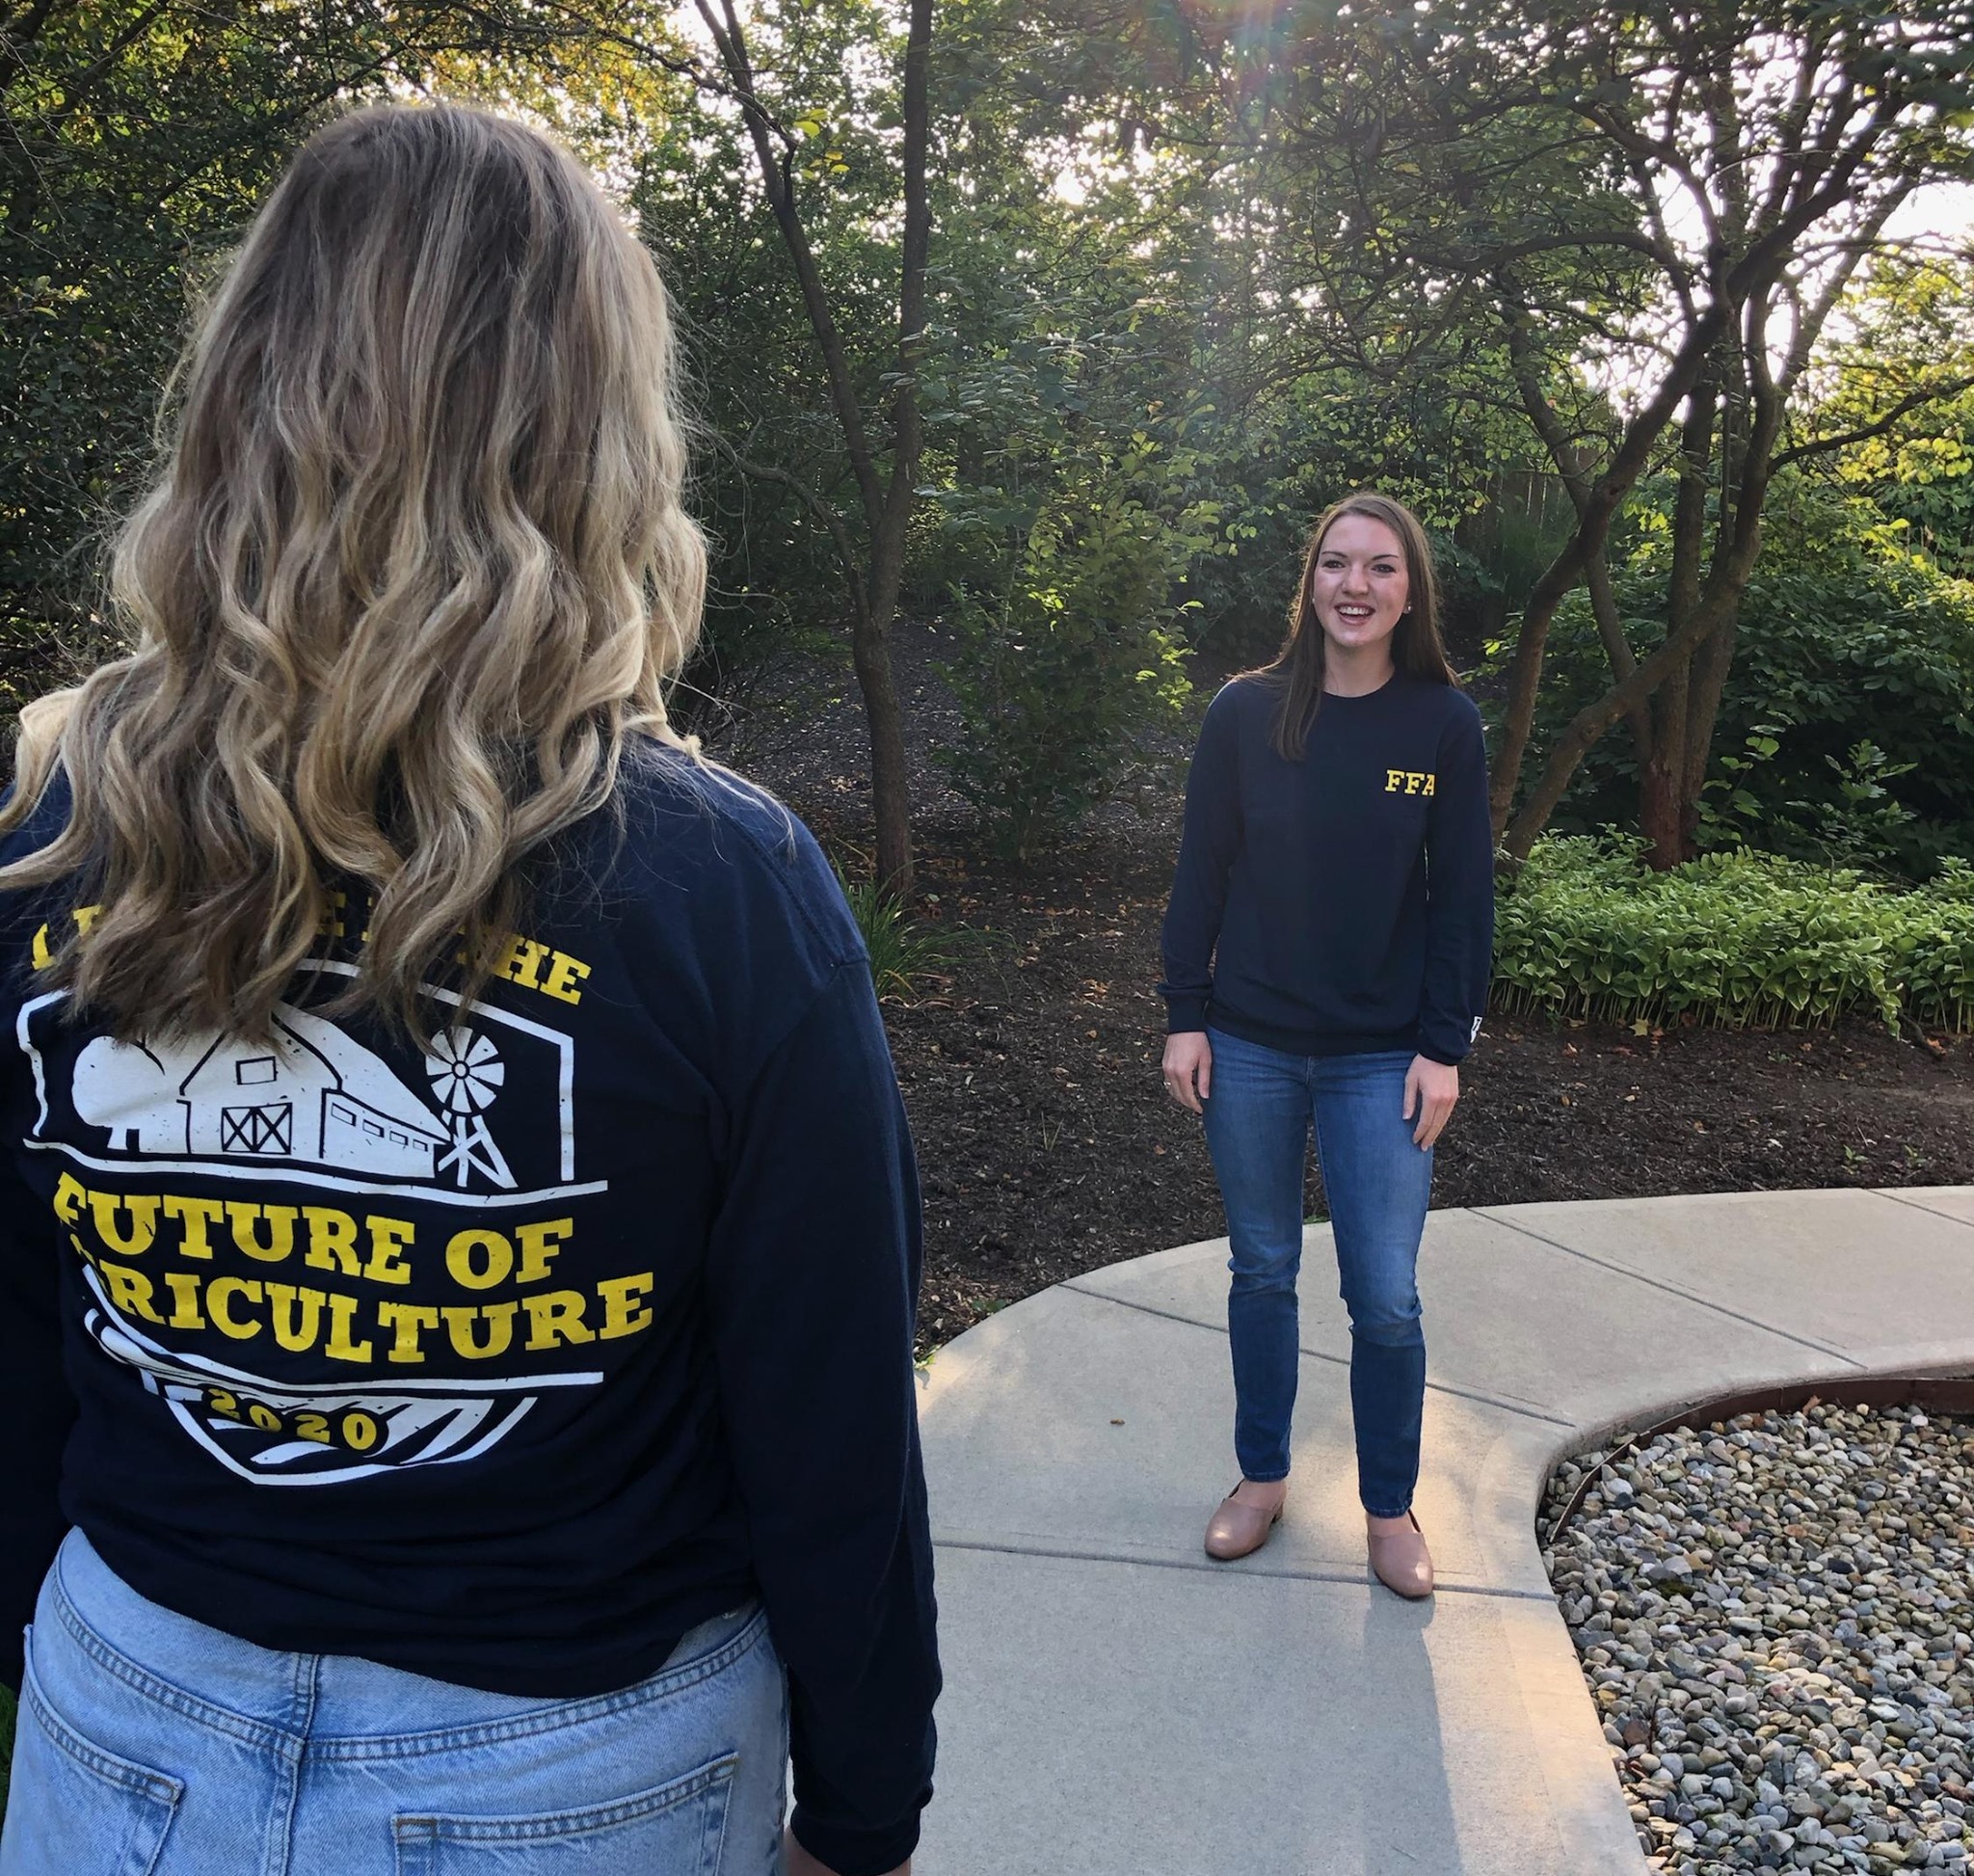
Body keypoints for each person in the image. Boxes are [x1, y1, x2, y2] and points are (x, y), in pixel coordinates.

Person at [0, 103, 936, 1876]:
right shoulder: (721, 884)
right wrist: (867, 1807)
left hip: (126, 1724)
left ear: (245, 388)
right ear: (595, 423)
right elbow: (830, 1417)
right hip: (572, 1768)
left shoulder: (55, 828)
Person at [1158, 491, 1494, 1599]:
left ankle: (1388, 1505)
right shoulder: (1244, 713)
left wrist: (1442, 1046)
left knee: (1384, 1296)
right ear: (1308, 582)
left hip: (1380, 1058)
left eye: (1379, 567)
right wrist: (1184, 1013)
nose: (1355, 585)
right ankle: (1260, 1478)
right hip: (1248, 1042)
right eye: (1336, 563)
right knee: (1261, 1268)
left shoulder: (1440, 723)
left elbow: (1463, 900)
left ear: (1409, 592)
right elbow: (1200, 869)